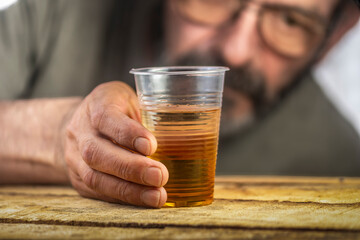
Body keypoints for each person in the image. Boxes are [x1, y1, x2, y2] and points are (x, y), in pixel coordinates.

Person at [0, 0, 359, 208]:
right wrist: (58, 136)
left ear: (336, 34)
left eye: (290, 21)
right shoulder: (51, 15)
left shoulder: (343, 166)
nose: (235, 49)